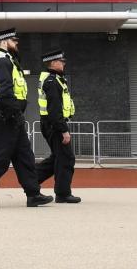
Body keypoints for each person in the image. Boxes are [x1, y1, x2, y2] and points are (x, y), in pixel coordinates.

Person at [0, 28, 52, 209]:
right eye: (14, 41)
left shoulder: (9, 61)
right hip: (5, 117)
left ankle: (33, 194)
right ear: (5, 42)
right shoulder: (2, 60)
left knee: (25, 157)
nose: (17, 44)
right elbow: (5, 90)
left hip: (12, 118)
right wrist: (14, 112)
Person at [34, 50, 80, 204]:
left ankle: (31, 179)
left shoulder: (56, 79)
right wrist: (63, 130)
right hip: (54, 125)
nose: (64, 63)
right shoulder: (52, 82)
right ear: (53, 63)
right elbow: (54, 110)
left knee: (58, 158)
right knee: (66, 158)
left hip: (52, 124)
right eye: (62, 61)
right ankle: (62, 193)